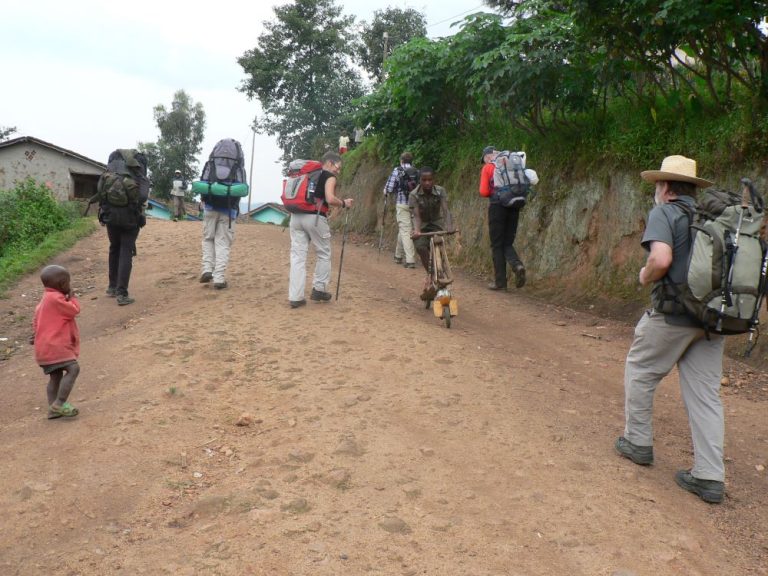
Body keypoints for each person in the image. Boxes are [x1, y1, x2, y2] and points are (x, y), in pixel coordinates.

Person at [614, 155, 726, 504]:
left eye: (656, 186)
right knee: (705, 395)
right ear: (692, 188)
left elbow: (660, 259)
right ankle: (710, 477)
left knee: (641, 369)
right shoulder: (714, 218)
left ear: (664, 187)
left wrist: (644, 275)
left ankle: (638, 442)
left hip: (674, 315)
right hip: (712, 320)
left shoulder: (666, 212)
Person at [288, 151, 355, 308]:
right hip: (315, 217)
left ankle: (295, 297)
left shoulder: (306, 173)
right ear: (330, 163)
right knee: (324, 253)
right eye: (338, 168)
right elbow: (330, 198)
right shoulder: (328, 176)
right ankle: (319, 289)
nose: (338, 171)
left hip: (296, 216)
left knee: (297, 256)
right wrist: (344, 203)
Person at [479, 146, 537, 291]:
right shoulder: (512, 162)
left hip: (497, 206)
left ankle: (500, 282)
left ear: (487, 156)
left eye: (484, 159)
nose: (484, 161)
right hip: (515, 204)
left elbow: (483, 191)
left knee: (497, 244)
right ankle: (517, 265)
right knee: (507, 242)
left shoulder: (488, 167)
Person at [30, 265, 81, 419]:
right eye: (68, 282)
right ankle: (59, 402)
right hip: (55, 346)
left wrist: (34, 335)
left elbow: (36, 322)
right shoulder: (56, 299)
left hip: (43, 349)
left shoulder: (45, 300)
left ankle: (53, 409)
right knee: (73, 369)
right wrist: (71, 297)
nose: (69, 285)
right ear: (62, 284)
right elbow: (74, 310)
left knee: (55, 376)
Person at [410, 167, 454, 291]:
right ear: (420, 180)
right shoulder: (414, 195)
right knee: (420, 246)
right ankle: (431, 274)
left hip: (436, 223)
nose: (427, 183)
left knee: (439, 242)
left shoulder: (440, 191)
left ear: (433, 180)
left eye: (430, 180)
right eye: (424, 180)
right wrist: (417, 230)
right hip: (422, 225)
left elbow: (446, 210)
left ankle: (441, 268)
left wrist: (449, 226)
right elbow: (416, 215)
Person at [199, 189, 239, 290]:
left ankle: (207, 269)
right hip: (228, 211)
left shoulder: (211, 171)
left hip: (210, 208)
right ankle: (219, 279)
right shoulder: (237, 172)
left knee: (208, 239)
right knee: (222, 244)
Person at [383, 152, 417, 268]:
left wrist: (385, 191)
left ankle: (410, 260)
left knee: (406, 230)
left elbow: (390, 188)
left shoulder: (397, 170)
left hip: (402, 204)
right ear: (411, 161)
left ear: (401, 160)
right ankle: (398, 255)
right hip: (415, 205)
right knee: (404, 229)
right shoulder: (416, 171)